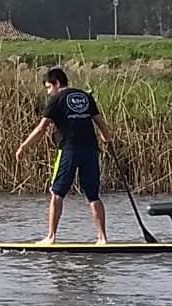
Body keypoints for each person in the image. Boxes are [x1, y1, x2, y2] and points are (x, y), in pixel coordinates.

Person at [15, 68, 112, 245]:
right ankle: (102, 238)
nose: (48, 92)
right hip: (90, 150)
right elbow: (100, 122)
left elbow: (41, 129)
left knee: (57, 193)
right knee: (93, 195)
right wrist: (108, 140)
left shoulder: (56, 99)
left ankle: (51, 237)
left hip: (69, 150)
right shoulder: (85, 96)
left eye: (48, 88)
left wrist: (23, 147)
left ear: (57, 84)